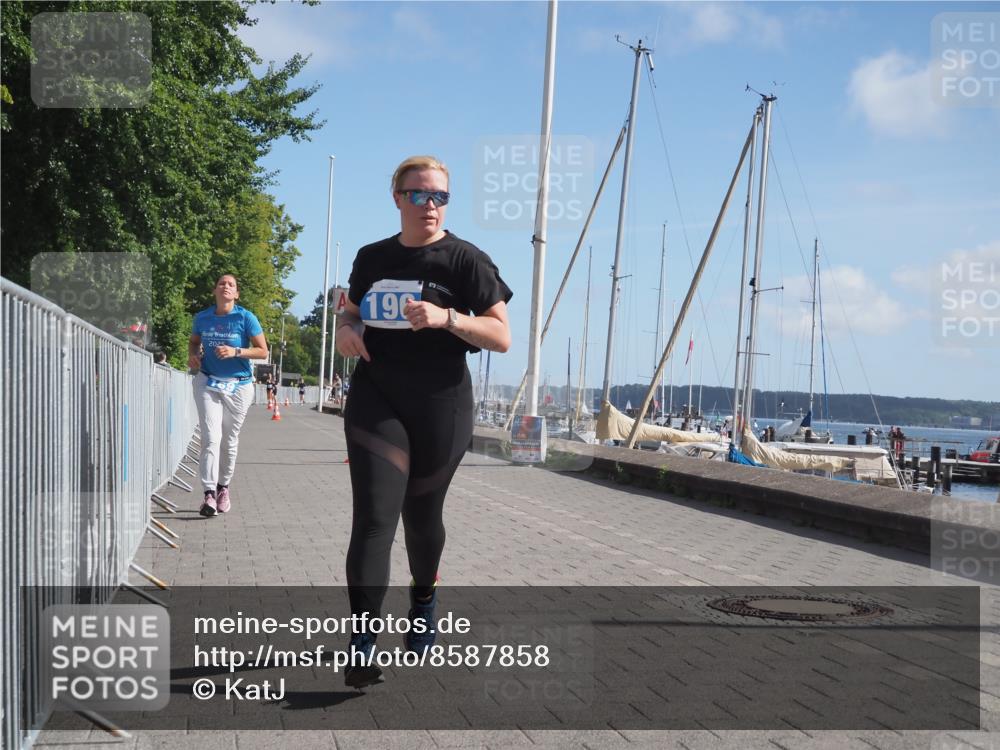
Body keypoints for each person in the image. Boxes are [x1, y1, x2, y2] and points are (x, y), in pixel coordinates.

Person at [335, 155, 512, 689]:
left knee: (422, 519)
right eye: (419, 195)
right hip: (376, 398)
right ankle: (363, 644)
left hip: (442, 406)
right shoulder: (372, 256)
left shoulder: (465, 260)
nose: (430, 205)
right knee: (373, 518)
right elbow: (352, 309)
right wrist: (346, 326)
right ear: (397, 198)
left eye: (440, 197)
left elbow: (502, 337)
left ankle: (424, 596)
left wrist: (448, 318)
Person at [188, 274, 267, 517]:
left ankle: (224, 488)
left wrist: (236, 351)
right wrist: (193, 354)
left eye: (231, 284)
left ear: (236, 294)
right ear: (215, 290)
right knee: (211, 437)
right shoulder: (203, 317)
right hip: (208, 380)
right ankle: (209, 495)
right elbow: (193, 342)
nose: (226, 286)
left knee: (229, 441)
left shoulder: (245, 318)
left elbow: (263, 351)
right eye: (221, 283)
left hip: (239, 386)